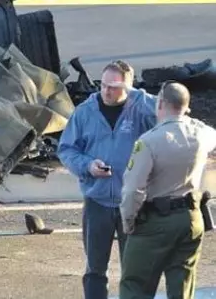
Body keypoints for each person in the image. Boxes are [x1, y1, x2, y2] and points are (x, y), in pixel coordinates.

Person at [57, 60, 157, 299]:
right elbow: (66, 150)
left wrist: (137, 94)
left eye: (114, 86)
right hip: (97, 202)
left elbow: (169, 112)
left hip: (133, 202)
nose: (106, 91)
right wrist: (88, 166)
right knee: (95, 270)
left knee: (134, 270)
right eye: (103, 85)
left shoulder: (141, 108)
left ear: (128, 87)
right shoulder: (85, 112)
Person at [118, 81, 216, 299]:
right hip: (191, 217)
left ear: (160, 103)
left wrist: (128, 220)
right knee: (182, 286)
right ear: (186, 107)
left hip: (155, 221)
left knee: (135, 285)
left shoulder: (149, 141)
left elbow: (133, 189)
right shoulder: (203, 134)